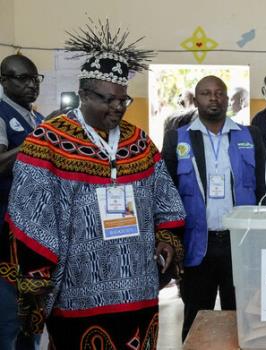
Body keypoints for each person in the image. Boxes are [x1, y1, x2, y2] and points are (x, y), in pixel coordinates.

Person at [5, 21, 186, 348]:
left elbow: (166, 200)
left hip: (138, 287)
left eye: (123, 100)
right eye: (108, 100)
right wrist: (38, 275)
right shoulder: (47, 141)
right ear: (84, 95)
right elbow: (29, 213)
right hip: (78, 289)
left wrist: (167, 238)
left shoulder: (138, 142)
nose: (118, 108)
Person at [162, 76, 266, 341]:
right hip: (198, 245)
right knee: (196, 316)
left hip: (239, 245)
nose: (214, 98)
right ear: (196, 100)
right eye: (206, 93)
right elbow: (167, 193)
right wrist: (170, 239)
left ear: (227, 98)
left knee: (243, 318)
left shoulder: (249, 135)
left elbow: (263, 188)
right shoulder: (177, 139)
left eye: (219, 93)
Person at [0, 54, 45, 350]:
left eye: (35, 78)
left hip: (37, 230)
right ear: (4, 81)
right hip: (7, 233)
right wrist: (40, 137)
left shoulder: (36, 118)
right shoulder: (2, 113)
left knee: (34, 318)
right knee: (9, 320)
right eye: (22, 78)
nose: (31, 85)